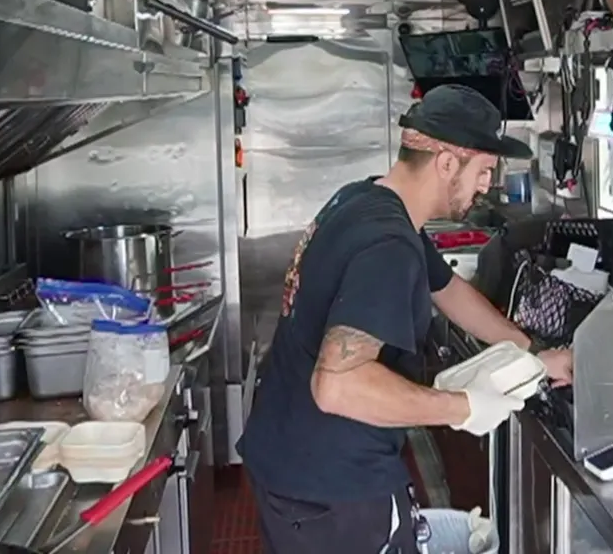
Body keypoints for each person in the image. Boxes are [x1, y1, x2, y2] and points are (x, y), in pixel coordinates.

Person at [239, 84, 576, 554]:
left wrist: (532, 355)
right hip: (331, 491)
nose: (486, 185)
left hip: (292, 457)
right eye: (483, 171)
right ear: (446, 163)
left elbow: (448, 289)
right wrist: (464, 408)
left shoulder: (365, 199)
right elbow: (337, 385)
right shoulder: (389, 246)